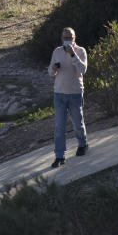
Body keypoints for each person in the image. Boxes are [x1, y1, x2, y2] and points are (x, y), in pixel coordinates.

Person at [48, 26, 88, 167]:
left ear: (74, 38)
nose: (68, 40)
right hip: (59, 94)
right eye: (65, 38)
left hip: (75, 93)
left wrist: (72, 55)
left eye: (70, 37)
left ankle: (82, 144)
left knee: (78, 123)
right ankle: (59, 156)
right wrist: (53, 69)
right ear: (61, 38)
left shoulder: (80, 51)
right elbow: (50, 72)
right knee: (59, 126)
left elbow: (83, 69)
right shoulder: (57, 51)